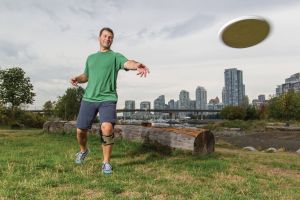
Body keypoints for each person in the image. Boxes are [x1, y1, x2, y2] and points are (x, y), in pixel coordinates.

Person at [70, 27, 149, 174]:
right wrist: (77, 79)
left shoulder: (115, 56)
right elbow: (86, 76)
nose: (108, 39)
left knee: (107, 128)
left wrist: (137, 65)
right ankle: (83, 151)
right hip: (89, 98)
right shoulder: (91, 58)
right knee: (80, 130)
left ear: (112, 40)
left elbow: (127, 63)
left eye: (110, 37)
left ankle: (106, 163)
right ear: (99, 38)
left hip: (108, 98)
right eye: (105, 36)